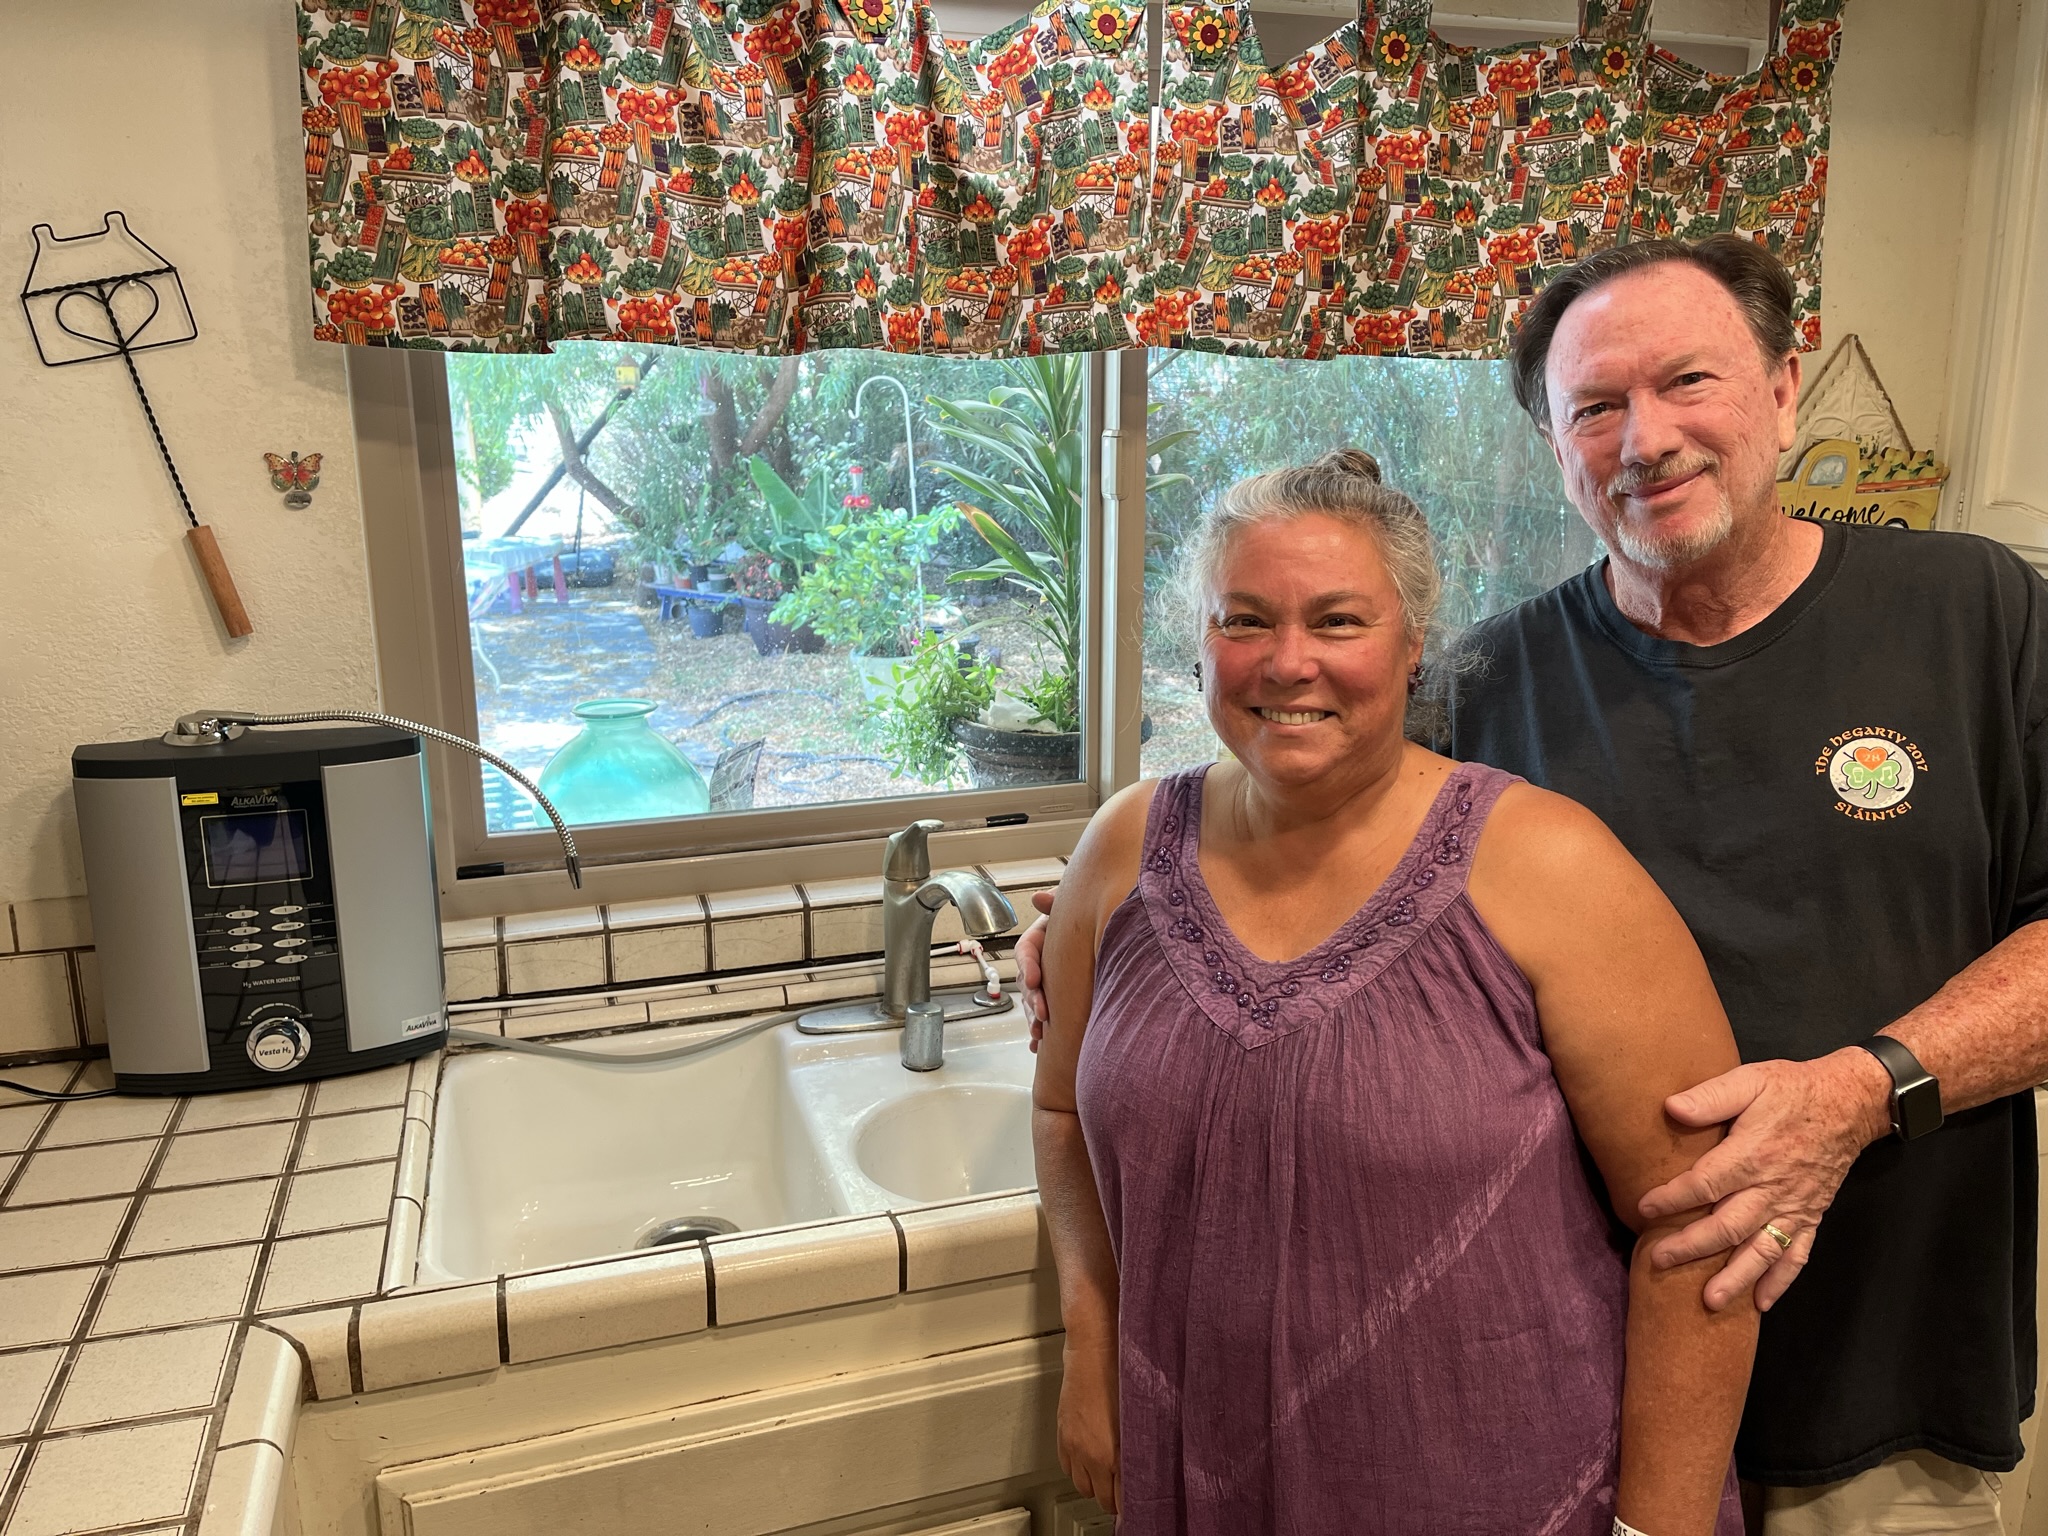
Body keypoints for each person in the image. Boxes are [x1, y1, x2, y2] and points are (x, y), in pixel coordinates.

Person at [1022, 236, 2048, 1532]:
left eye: (1687, 381)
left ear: (1785, 389)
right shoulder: (1486, 681)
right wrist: (1101, 934)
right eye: (1595, 407)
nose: (1645, 439)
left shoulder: (1972, 611)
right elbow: (1312, 813)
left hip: (1878, 1388)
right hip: (1579, 1396)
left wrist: (1860, 1092)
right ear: (1554, 445)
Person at [1034, 447, 1756, 1534]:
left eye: (1337, 621)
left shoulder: (1548, 867)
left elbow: (1704, 1226)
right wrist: (1091, 1348)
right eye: (1243, 621)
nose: (1288, 663)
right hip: (1202, 1468)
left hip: (1498, 1489)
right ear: (1200, 644)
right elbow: (1058, 1112)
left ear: (1414, 644)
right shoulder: (1125, 845)